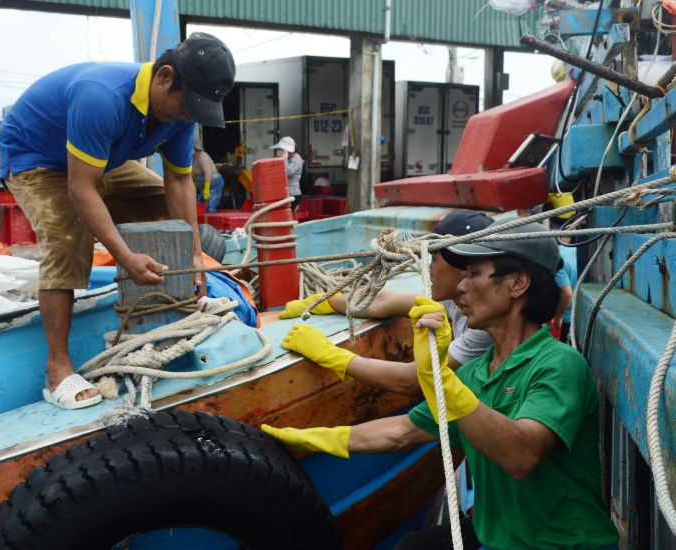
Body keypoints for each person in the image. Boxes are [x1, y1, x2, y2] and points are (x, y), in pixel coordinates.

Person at [263, 221, 620, 550]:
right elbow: (402, 431)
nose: (461, 287)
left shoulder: (559, 365)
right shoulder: (477, 372)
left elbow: (520, 455)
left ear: (517, 283)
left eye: (475, 274)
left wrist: (441, 379)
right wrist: (312, 439)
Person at [0, 32, 236, 410]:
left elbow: (178, 181)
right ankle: (57, 369)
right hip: (37, 159)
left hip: (99, 159)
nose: (187, 115)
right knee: (67, 236)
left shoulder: (180, 114)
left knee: (167, 212)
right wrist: (125, 256)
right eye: (186, 104)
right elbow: (81, 189)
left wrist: (192, 254)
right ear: (164, 77)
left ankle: (173, 311)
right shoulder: (102, 97)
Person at [277, 209, 494, 397]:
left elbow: (410, 380)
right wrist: (325, 302)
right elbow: (385, 300)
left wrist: (330, 354)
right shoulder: (456, 299)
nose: (427, 268)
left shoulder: (486, 326)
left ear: (465, 268)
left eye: (434, 260)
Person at [270, 136, 303, 210]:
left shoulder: (296, 159)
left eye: (281, 149)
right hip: (285, 193)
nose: (280, 151)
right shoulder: (289, 158)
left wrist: (284, 158)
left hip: (293, 194)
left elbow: (289, 172)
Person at [193, 145, 223, 213]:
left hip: (213, 182)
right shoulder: (191, 157)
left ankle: (211, 222)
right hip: (202, 183)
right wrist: (194, 189)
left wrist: (206, 188)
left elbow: (207, 172)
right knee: (199, 205)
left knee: (210, 206)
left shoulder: (202, 155)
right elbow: (193, 175)